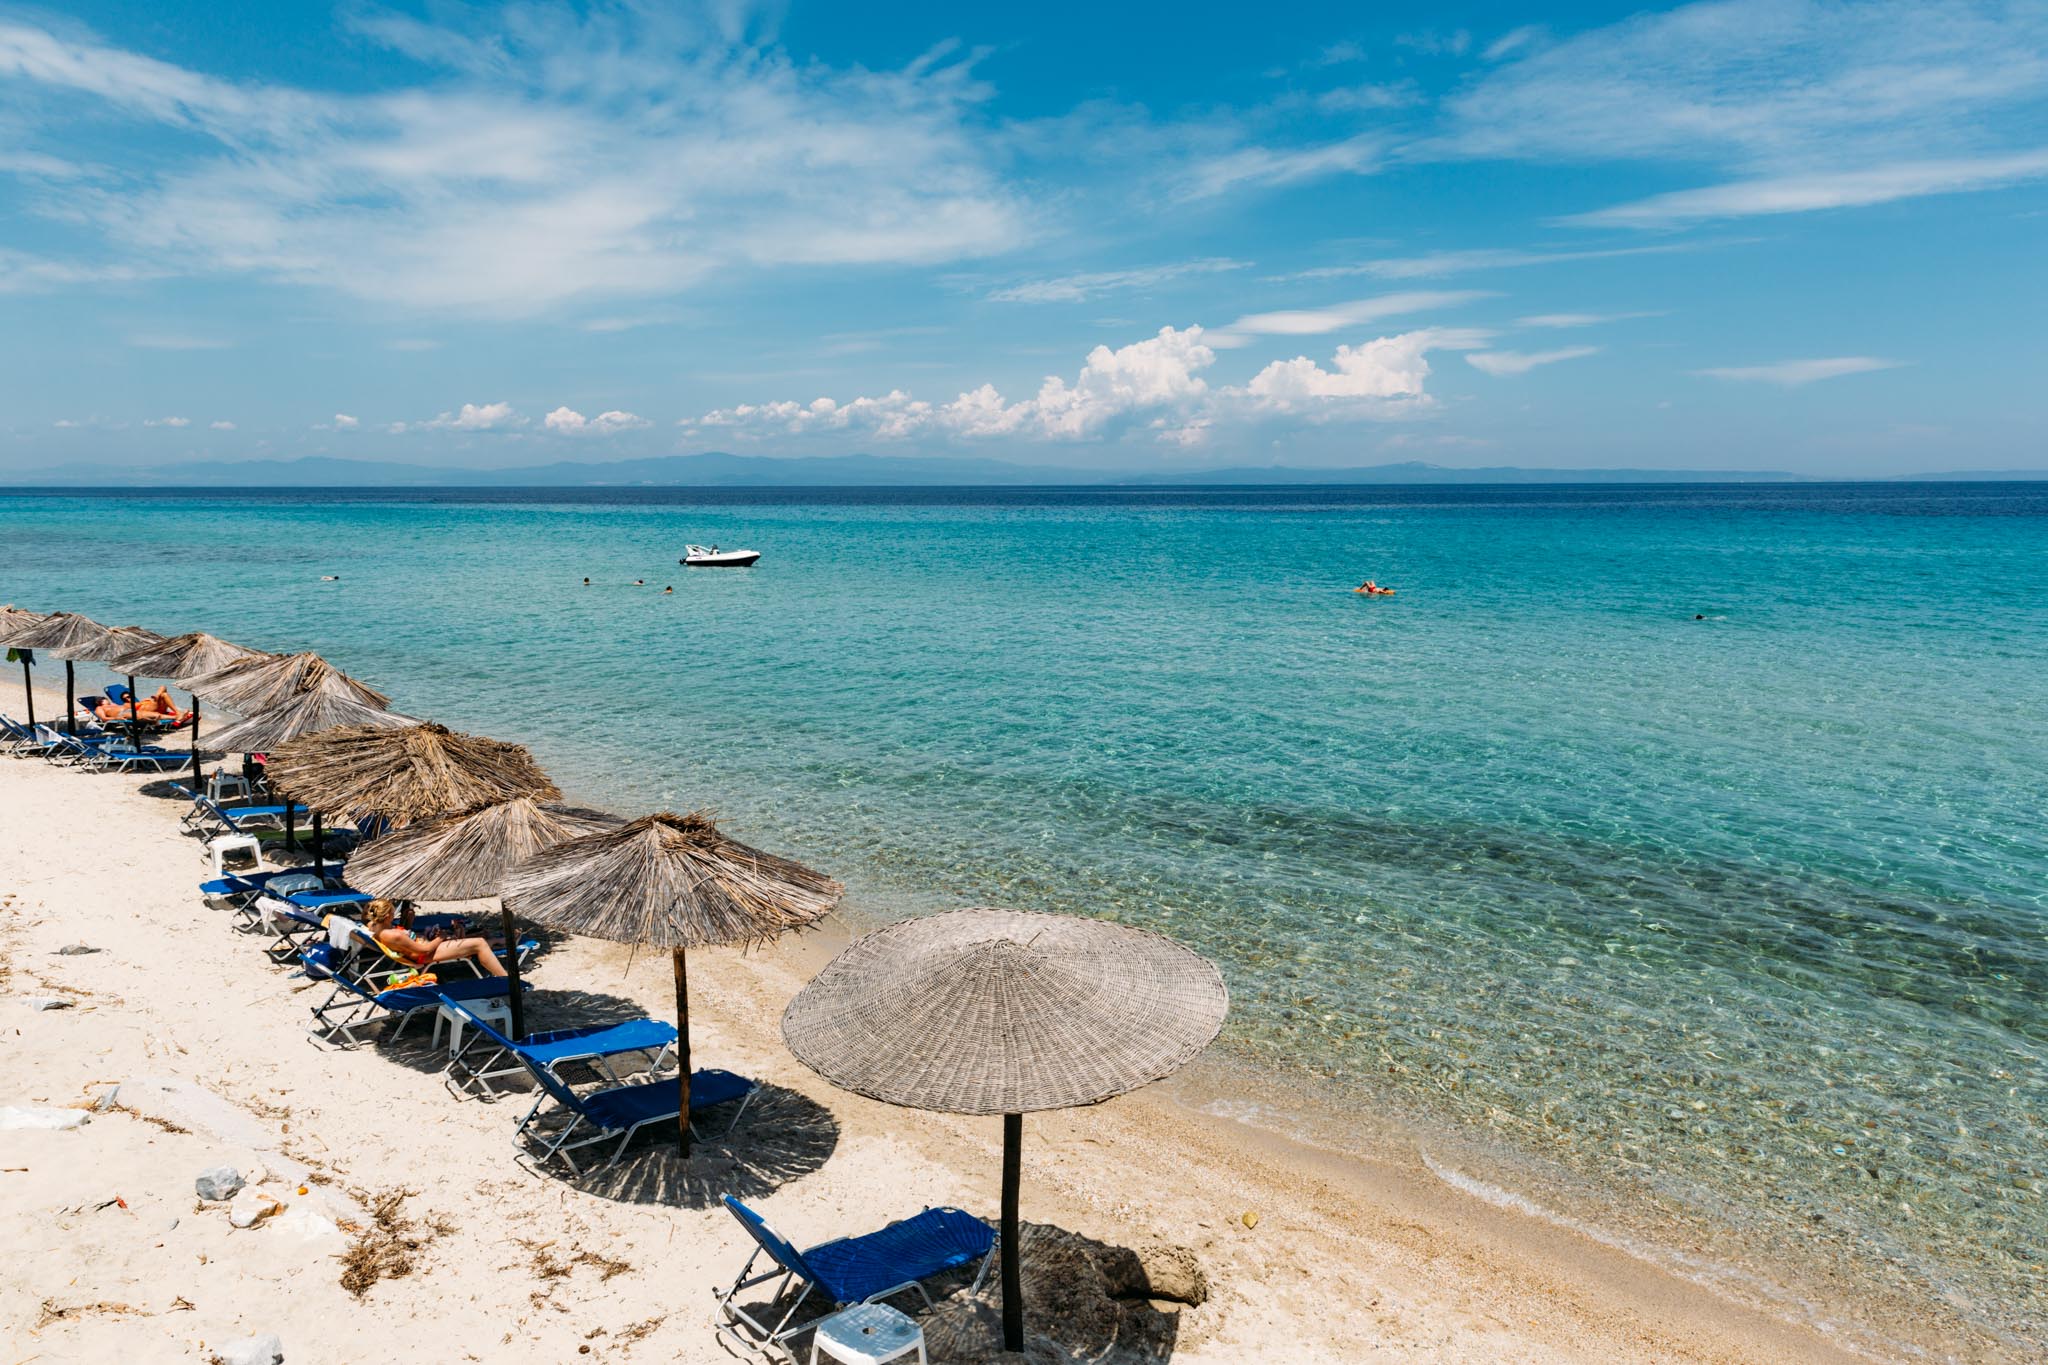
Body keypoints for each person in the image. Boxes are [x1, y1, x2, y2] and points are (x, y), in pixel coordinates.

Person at [362, 898, 506, 977]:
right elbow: (423, 950)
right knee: (479, 943)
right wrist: (440, 937)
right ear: (387, 917)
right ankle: (505, 979)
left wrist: (408, 921)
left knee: (470, 938)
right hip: (427, 954)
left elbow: (368, 920)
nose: (394, 916)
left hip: (425, 947)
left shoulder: (377, 928)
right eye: (393, 914)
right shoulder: (394, 935)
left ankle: (497, 947)